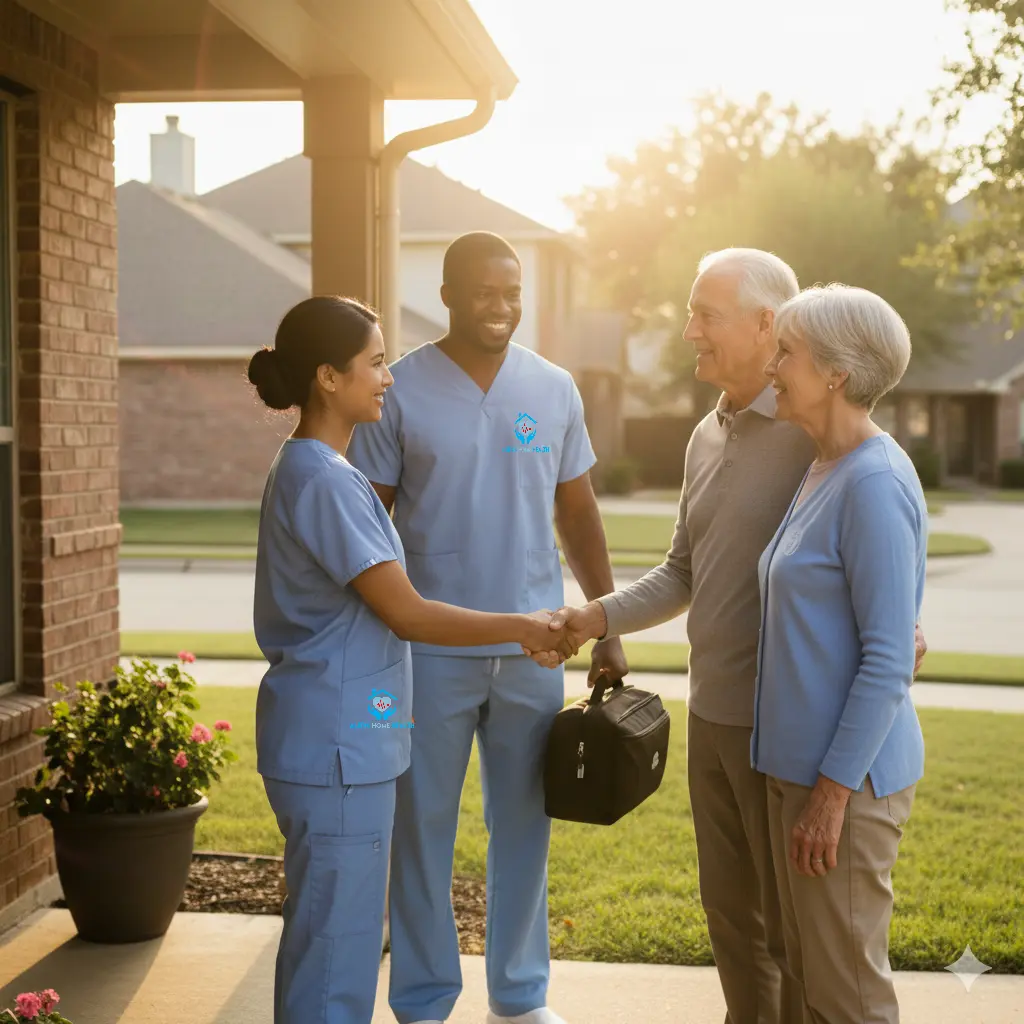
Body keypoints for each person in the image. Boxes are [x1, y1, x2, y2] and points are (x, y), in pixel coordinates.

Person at [533, 249, 927, 1024]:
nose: (689, 333)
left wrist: (901, 634)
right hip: (721, 719)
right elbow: (687, 570)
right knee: (739, 928)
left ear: (767, 325)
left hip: (792, 734)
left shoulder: (819, 442)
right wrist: (596, 616)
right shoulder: (720, 440)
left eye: (704, 315)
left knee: (810, 954)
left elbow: (879, 599)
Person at [246, 296, 576, 1024]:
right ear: (329, 378)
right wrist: (527, 625)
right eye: (375, 362)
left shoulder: (318, 470)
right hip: (337, 746)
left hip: (339, 742)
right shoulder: (325, 480)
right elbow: (407, 611)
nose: (389, 377)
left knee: (341, 939)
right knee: (334, 949)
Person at [347, 231, 626, 1024]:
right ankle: (426, 999)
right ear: (447, 294)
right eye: (484, 292)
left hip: (538, 647)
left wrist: (605, 626)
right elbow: (371, 522)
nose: (501, 307)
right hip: (428, 651)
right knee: (421, 829)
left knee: (524, 827)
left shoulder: (554, 387)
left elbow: (578, 511)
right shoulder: (396, 389)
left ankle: (520, 996)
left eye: (512, 293)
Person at [755, 284, 925, 1023]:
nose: (773, 365)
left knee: (848, 999)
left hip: (844, 787)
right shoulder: (823, 465)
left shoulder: (873, 481)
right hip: (797, 775)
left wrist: (830, 797)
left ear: (835, 374)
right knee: (813, 985)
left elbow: (888, 657)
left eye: (786, 351)